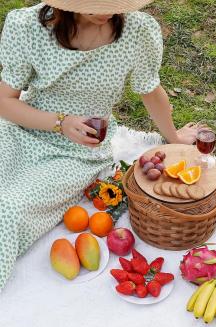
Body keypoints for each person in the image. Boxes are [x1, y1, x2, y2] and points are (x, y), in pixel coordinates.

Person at [0, 0, 199, 291]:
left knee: (9, 208)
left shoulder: (137, 31)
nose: (107, 11)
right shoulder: (28, 27)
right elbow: (5, 103)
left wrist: (175, 138)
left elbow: (150, 91)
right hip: (26, 127)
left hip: (80, 151)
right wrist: (60, 122)